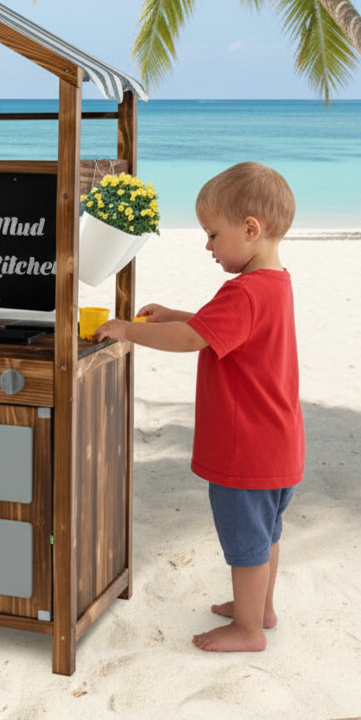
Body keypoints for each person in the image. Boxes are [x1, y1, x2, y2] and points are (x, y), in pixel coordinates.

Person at [94, 161, 303, 653]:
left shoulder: (243, 291)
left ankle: (249, 630)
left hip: (244, 450)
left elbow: (194, 338)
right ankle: (261, 608)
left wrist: (129, 331)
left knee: (246, 542)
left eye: (212, 234)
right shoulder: (275, 284)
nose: (207, 246)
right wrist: (173, 313)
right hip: (279, 444)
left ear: (250, 229)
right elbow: (219, 329)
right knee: (266, 534)